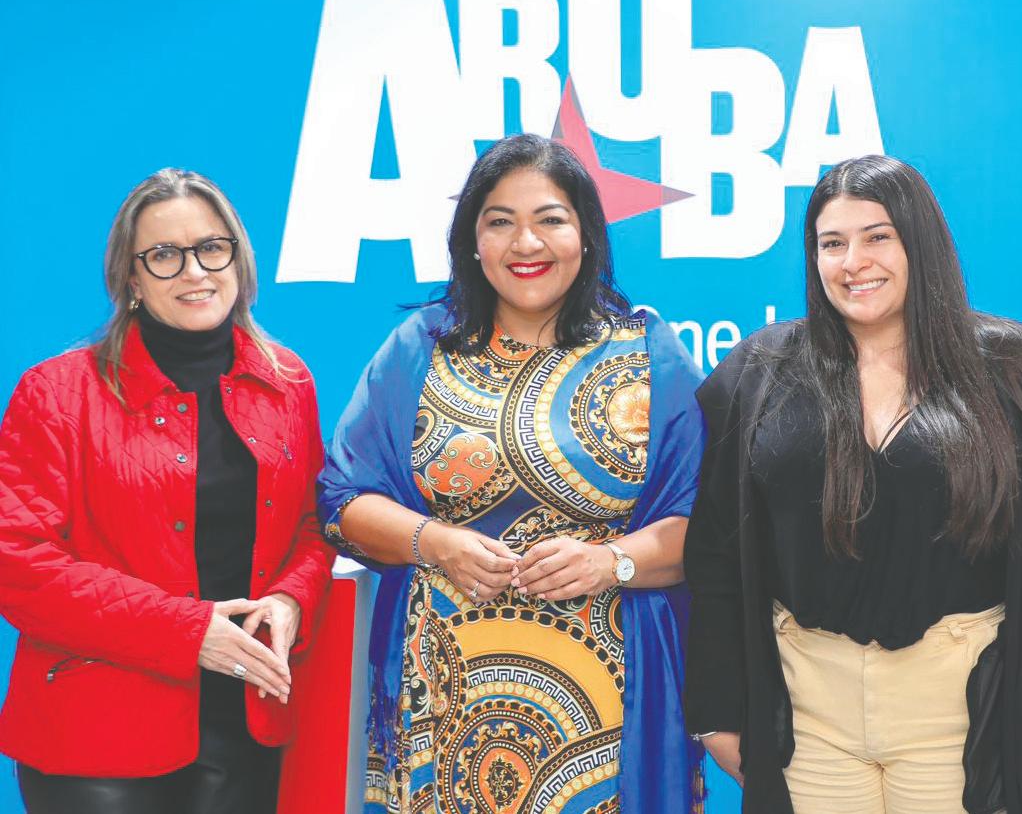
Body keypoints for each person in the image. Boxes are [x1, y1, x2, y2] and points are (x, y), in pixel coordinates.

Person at [684, 155, 1022, 814]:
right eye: (832, 243)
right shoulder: (759, 372)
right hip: (807, 713)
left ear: (919, 241)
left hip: (963, 710)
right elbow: (714, 547)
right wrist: (715, 709)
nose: (853, 262)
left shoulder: (1016, 368)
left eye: (877, 237)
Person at [318, 133, 706, 814]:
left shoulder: (649, 353)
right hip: (442, 702)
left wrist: (610, 561)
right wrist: (434, 542)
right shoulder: (420, 349)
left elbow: (705, 523)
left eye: (550, 219)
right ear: (472, 240)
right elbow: (342, 500)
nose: (526, 243)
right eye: (500, 221)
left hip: (612, 707)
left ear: (586, 234)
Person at [0, 168, 334, 813]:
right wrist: (187, 631)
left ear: (237, 258)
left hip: (247, 724)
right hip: (97, 733)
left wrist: (292, 599)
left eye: (211, 248)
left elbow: (313, 527)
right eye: (163, 256)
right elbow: (18, 564)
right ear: (131, 278)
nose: (194, 271)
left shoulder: (288, 381)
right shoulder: (57, 393)